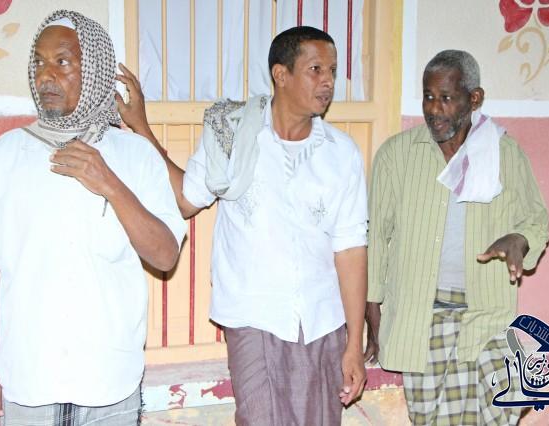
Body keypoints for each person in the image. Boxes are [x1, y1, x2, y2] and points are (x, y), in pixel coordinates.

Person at [117, 26, 368, 425]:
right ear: (281, 74)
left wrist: (354, 343)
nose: (328, 82)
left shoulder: (342, 154)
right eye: (316, 69)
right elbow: (186, 199)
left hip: (323, 321)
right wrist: (143, 128)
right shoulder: (232, 133)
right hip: (253, 317)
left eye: (333, 71)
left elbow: (351, 249)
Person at [0, 10, 186, 426]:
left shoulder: (135, 156)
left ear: (95, 69)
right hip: (27, 382)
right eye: (39, 62)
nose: (46, 75)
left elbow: (165, 255)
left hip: (110, 384)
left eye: (62, 62)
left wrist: (110, 184)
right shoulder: (6, 154)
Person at [365, 50, 549, 425]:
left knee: (509, 397)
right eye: (428, 97)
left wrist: (520, 238)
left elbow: (536, 219)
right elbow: (376, 239)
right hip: (422, 316)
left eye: (446, 98)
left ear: (474, 98)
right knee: (432, 417)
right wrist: (372, 315)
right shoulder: (397, 156)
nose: (434, 109)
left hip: (486, 313)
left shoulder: (503, 153)